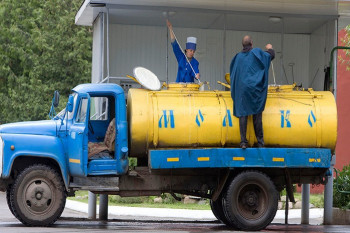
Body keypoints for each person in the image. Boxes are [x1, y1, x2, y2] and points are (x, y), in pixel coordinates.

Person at [229, 35, 275, 149]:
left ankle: (243, 142)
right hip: (254, 91)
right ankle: (260, 143)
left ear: (243, 45)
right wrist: (270, 48)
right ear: (252, 43)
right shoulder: (257, 53)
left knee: (243, 114)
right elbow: (270, 56)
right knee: (257, 114)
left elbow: (232, 75)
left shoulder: (237, 57)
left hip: (242, 91)